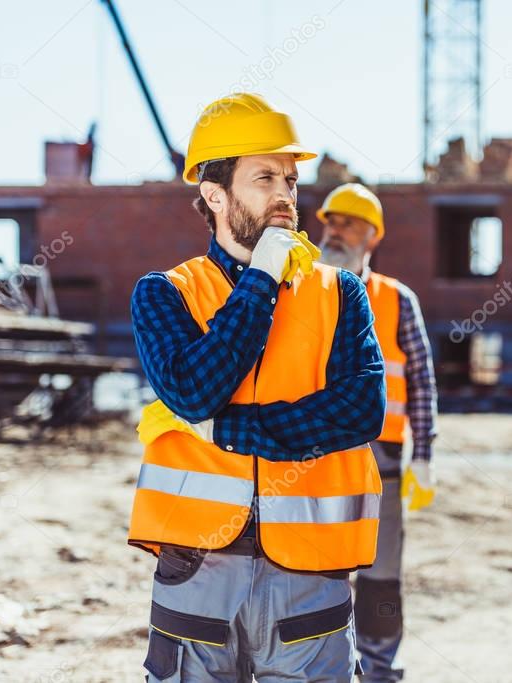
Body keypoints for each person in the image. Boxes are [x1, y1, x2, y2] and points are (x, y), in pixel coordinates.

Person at [128, 93, 385, 681]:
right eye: (264, 177)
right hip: (197, 567)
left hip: (309, 572)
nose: (285, 196)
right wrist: (263, 275)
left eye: (291, 181)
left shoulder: (340, 292)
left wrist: (230, 429)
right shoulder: (164, 292)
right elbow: (195, 391)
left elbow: (360, 410)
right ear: (215, 195)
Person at [317, 183, 438, 682]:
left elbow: (422, 380)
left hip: (381, 458)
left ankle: (381, 667)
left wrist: (424, 455)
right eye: (331, 221)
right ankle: (325, 665)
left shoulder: (395, 299)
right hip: (313, 456)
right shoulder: (301, 291)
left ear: (372, 236)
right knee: (317, 568)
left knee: (380, 572)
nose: (334, 230)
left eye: (347, 223)